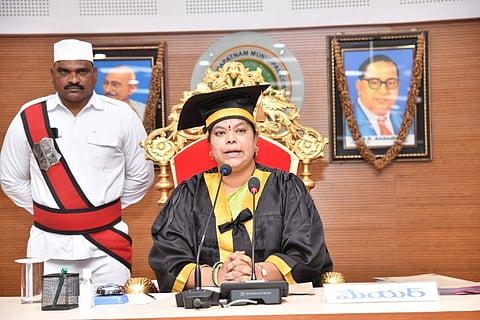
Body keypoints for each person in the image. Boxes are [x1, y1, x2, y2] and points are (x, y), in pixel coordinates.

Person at [148, 84, 333, 293]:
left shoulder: (287, 188)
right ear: (209, 147)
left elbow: (307, 253)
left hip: (277, 307)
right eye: (219, 132)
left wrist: (256, 272)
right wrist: (219, 276)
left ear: (256, 141)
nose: (230, 138)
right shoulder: (188, 194)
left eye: (241, 130)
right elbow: (167, 258)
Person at [0, 39, 154, 286]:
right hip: (48, 246)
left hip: (107, 246)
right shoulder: (29, 116)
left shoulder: (122, 115)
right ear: (53, 74)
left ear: (94, 74)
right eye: (64, 71)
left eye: (81, 71)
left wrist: (99, 211)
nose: (73, 79)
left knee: (114, 312)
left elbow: (141, 176)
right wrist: (51, 211)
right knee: (50, 315)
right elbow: (11, 178)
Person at [345, 54, 414, 142]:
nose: (383, 91)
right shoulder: (344, 125)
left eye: (391, 83)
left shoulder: (410, 124)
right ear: (359, 86)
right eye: (374, 82)